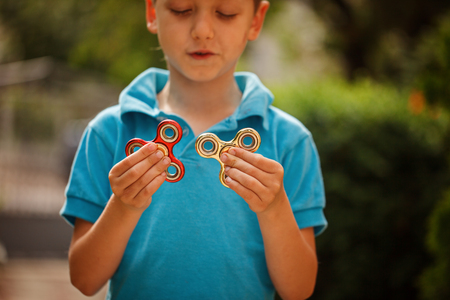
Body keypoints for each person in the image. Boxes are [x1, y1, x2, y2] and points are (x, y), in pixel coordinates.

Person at [60, 0, 327, 299]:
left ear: (255, 20)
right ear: (152, 13)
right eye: (181, 9)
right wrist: (124, 207)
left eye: (225, 13)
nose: (202, 31)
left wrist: (274, 209)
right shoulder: (109, 132)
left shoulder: (290, 141)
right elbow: (84, 278)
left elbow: (299, 289)